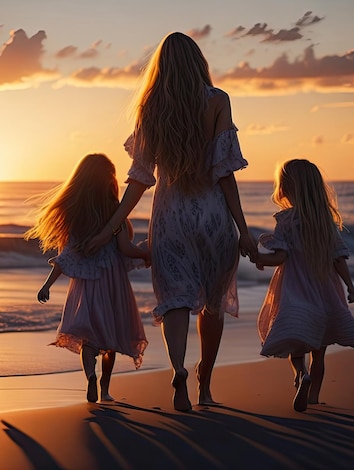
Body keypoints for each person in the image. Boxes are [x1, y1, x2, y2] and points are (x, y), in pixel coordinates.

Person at [85, 32, 258, 411]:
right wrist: (244, 231)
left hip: (171, 217)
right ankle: (206, 386)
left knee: (175, 301)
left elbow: (140, 179)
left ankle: (178, 368)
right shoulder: (217, 101)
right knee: (213, 304)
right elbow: (225, 172)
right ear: (198, 62)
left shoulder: (151, 107)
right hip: (212, 214)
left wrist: (110, 228)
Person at [25, 153, 150, 403]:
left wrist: (47, 285)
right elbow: (126, 249)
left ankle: (90, 376)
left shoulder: (77, 218)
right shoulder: (115, 214)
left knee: (89, 339)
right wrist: (148, 252)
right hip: (113, 285)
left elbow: (65, 258)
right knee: (110, 338)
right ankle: (104, 389)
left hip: (86, 286)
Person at [253, 158, 354, 412]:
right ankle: (313, 396)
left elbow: (280, 257)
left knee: (297, 344)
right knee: (319, 350)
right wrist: (350, 286)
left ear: (287, 189)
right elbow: (338, 258)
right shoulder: (325, 221)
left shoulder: (287, 221)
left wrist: (259, 258)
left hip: (294, 289)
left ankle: (301, 375)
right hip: (325, 291)